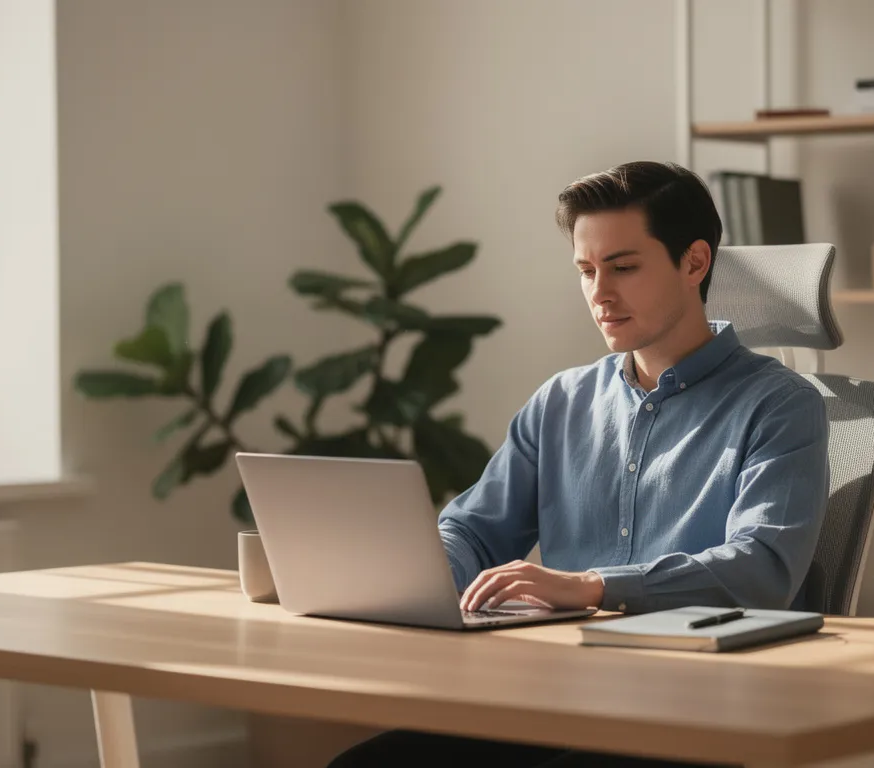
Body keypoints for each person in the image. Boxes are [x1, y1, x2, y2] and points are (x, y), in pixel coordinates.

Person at [328, 160, 830, 768]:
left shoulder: (781, 405)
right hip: (557, 697)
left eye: (623, 267)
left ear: (694, 263)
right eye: (587, 271)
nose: (600, 293)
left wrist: (590, 587)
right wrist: (421, 582)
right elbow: (470, 529)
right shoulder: (562, 401)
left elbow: (762, 569)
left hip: (697, 713)